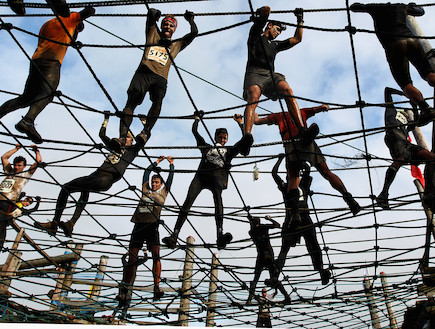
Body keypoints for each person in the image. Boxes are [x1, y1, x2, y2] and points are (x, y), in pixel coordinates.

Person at [34, 113, 149, 237]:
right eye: (124, 136)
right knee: (75, 190)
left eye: (127, 137)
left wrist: (144, 122)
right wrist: (106, 119)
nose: (124, 138)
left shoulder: (132, 151)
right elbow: (102, 135)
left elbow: (144, 139)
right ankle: (70, 224)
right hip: (96, 175)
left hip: (106, 178)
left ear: (131, 141)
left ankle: (56, 223)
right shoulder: (115, 147)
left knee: (67, 188)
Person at [0, 6, 95, 144]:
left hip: (37, 61)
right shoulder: (68, 20)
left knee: (27, 97)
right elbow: (89, 11)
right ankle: (28, 120)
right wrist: (76, 15)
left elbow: (66, 38)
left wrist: (74, 42)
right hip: (51, 62)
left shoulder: (48, 24)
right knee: (48, 93)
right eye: (77, 31)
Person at [109, 8, 198, 153]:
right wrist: (156, 14)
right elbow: (151, 13)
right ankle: (122, 138)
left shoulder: (176, 44)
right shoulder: (153, 33)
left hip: (160, 77)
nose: (167, 27)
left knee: (157, 102)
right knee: (130, 104)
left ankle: (145, 132)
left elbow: (194, 34)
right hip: (143, 72)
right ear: (162, 26)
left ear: (174, 29)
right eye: (165, 24)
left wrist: (190, 20)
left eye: (171, 26)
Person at [251, 105, 361, 221]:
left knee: (293, 178)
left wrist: (255, 115)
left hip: (291, 144)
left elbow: (257, 121)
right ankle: (349, 199)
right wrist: (324, 108)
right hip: (307, 142)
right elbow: (320, 108)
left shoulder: (278, 116)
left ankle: (294, 214)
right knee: (326, 172)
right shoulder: (301, 111)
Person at [162, 112, 249, 250]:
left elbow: (245, 139)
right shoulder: (207, 148)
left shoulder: (229, 151)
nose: (223, 140)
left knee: (218, 201)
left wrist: (240, 123)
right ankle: (174, 235)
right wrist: (197, 119)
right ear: (215, 137)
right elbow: (195, 132)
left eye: (225, 138)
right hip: (200, 177)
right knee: (188, 201)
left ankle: (220, 234)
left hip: (217, 179)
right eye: (220, 137)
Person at [241, 6, 318, 156]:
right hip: (254, 72)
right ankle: (247, 137)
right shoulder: (255, 36)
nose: (278, 33)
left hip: (270, 76)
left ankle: (302, 131)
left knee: (287, 90)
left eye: (280, 32)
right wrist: (262, 15)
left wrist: (300, 19)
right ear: (269, 25)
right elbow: (265, 13)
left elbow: (297, 39)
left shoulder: (275, 45)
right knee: (253, 97)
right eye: (277, 29)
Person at [350, 2, 435, 126]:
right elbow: (421, 11)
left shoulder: (376, 7)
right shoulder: (402, 7)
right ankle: (426, 109)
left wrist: (368, 7)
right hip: (412, 40)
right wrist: (412, 6)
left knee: (406, 84)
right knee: (428, 74)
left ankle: (426, 109)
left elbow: (354, 7)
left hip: (394, 45)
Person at [117, 155, 174, 310]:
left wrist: (171, 165)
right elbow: (146, 174)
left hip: (152, 226)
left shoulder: (163, 193)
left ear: (161, 184)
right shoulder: (145, 190)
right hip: (138, 226)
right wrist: (156, 162)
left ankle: (156, 286)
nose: (154, 184)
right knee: (132, 258)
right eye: (153, 182)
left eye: (157, 182)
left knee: (156, 256)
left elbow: (170, 180)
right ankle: (125, 288)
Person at [272, 155, 331, 285]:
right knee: (285, 248)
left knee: (313, 244)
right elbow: (274, 174)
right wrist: (280, 160)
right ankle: (275, 275)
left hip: (305, 217)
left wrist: (301, 162)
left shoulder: (303, 186)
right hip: (291, 217)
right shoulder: (285, 187)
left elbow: (307, 170)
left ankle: (321, 270)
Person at [376, 87, 435, 209]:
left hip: (405, 143)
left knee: (431, 157)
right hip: (394, 136)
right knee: (400, 158)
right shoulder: (392, 113)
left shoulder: (408, 125)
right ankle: (384, 193)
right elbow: (387, 91)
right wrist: (405, 94)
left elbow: (420, 120)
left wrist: (413, 103)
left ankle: (430, 192)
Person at [247, 215, 290, 305]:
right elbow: (277, 225)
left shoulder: (251, 232)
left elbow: (253, 227)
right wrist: (269, 219)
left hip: (260, 256)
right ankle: (286, 296)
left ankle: (249, 298)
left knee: (255, 278)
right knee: (274, 279)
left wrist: (250, 219)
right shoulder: (264, 227)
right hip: (269, 256)